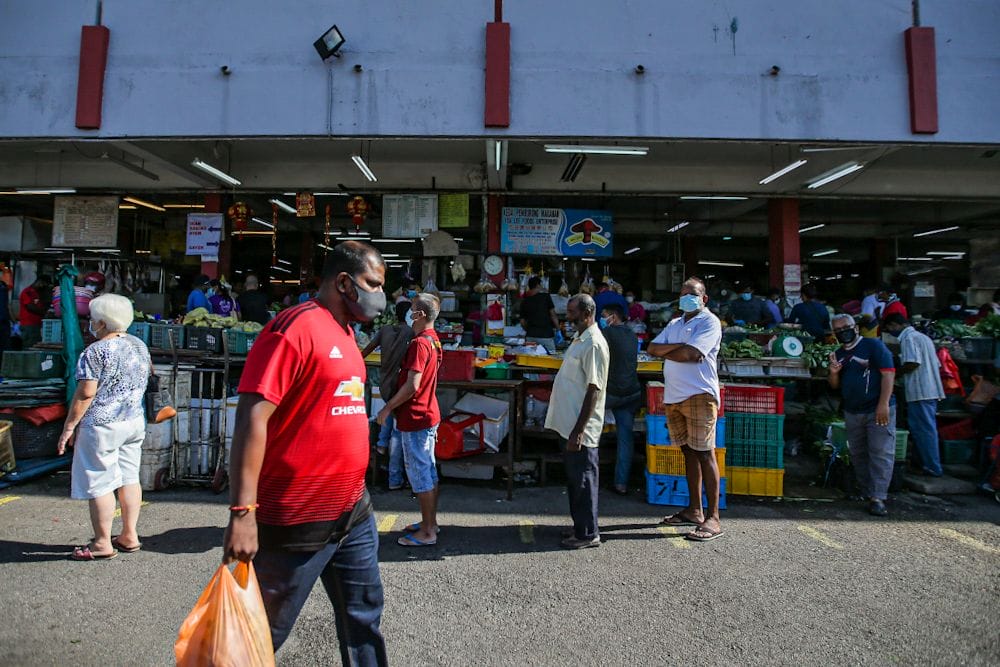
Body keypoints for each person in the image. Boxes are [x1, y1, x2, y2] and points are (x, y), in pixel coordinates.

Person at [223, 241, 389, 664]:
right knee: (259, 634)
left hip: (352, 511)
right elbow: (251, 419)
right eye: (373, 284)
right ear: (344, 283)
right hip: (296, 517)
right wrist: (242, 513)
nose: (380, 296)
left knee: (364, 619)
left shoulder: (347, 332)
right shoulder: (292, 328)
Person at [56, 294, 151, 560]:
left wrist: (68, 427)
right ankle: (129, 535)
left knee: (100, 482)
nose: (90, 323)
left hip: (101, 425)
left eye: (91, 319)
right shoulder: (138, 345)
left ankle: (101, 544)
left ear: (100, 322)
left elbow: (86, 394)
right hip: (133, 421)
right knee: (130, 477)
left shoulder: (95, 352)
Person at [648, 277, 724, 542]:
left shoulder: (709, 322)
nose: (686, 297)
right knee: (688, 452)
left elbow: (692, 355)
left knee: (705, 453)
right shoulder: (674, 323)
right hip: (674, 396)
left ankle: (713, 517)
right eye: (682, 293)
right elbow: (652, 348)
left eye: (692, 294)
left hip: (700, 396)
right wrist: (678, 349)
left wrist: (674, 351)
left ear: (704, 299)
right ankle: (694, 509)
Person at [376, 294, 443, 548]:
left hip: (416, 417)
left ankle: (427, 532)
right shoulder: (433, 340)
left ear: (421, 315)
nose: (409, 313)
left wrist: (387, 408)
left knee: (420, 476)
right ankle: (430, 522)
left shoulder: (420, 344)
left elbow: (412, 385)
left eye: (413, 310)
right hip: (428, 414)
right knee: (428, 472)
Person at [544, 294, 608, 549]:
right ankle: (580, 526)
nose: (567, 316)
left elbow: (594, 389)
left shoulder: (593, 343)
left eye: (571, 312)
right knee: (575, 479)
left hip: (579, 428)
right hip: (569, 423)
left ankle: (588, 534)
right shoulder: (580, 338)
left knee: (583, 479)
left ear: (586, 313)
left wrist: (579, 431)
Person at [827, 313, 897, 517]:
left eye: (846, 327)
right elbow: (834, 386)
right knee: (858, 453)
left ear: (855, 327)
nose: (843, 332)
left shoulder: (874, 346)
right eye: (838, 330)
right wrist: (833, 373)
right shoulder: (838, 354)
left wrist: (883, 404)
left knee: (880, 451)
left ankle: (878, 497)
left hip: (877, 409)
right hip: (853, 410)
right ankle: (867, 492)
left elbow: (888, 373)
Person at [881, 313, 945, 477]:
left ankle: (932, 467)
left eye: (889, 328)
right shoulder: (923, 338)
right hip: (930, 389)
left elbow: (913, 363)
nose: (890, 331)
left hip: (920, 391)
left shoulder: (908, 338)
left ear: (895, 325)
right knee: (925, 429)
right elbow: (936, 364)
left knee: (924, 430)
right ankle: (924, 463)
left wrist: (894, 374)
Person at [361, 301, 414, 491]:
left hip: (384, 386)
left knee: (390, 420)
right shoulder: (410, 333)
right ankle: (394, 479)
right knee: (399, 434)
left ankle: (382, 444)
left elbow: (365, 351)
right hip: (399, 386)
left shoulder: (384, 330)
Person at [599, 303, 641, 495]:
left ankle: (586, 474)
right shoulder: (632, 335)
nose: (602, 319)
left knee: (585, 425)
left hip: (612, 392)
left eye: (604, 315)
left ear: (613, 317)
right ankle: (621, 483)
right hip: (632, 393)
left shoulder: (607, 333)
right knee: (625, 438)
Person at [519, 276, 560, 353]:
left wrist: (529, 330)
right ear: (538, 285)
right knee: (550, 358)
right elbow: (553, 315)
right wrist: (558, 330)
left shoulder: (524, 301)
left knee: (531, 358)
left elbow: (522, 322)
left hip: (530, 337)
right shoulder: (546, 297)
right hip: (546, 336)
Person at [18, 275, 52, 348]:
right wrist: (44, 313)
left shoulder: (36, 293)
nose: (44, 287)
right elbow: (30, 307)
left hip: (36, 325)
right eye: (44, 284)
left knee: (35, 345)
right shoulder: (27, 292)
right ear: (40, 282)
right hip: (28, 325)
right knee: (29, 346)